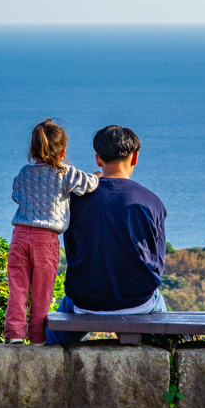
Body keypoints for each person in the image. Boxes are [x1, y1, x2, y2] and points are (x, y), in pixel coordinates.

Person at [46, 125, 168, 345]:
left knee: (52, 338)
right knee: (160, 307)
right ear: (135, 158)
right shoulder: (152, 202)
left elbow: (72, 253)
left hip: (85, 302)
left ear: (98, 159)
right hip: (138, 303)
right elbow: (157, 265)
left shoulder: (75, 200)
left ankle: (42, 356)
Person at [5, 119, 101, 344]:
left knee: (17, 288)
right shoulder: (65, 174)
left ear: (32, 150)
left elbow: (16, 193)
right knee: (41, 293)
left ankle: (14, 335)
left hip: (19, 235)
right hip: (45, 240)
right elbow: (89, 184)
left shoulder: (24, 172)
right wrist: (98, 175)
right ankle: (38, 339)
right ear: (62, 152)